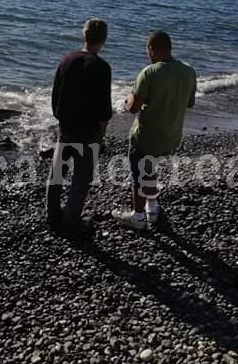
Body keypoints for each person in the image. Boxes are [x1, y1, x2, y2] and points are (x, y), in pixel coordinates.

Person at [112, 31, 196, 230]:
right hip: (171, 135)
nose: (147, 54)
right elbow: (190, 103)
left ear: (152, 49)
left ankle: (138, 216)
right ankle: (151, 207)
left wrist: (126, 99)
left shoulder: (149, 72)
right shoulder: (188, 71)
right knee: (150, 168)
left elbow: (132, 107)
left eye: (148, 50)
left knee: (138, 173)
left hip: (147, 135)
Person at [47, 18, 112, 236]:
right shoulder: (102, 67)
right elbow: (104, 107)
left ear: (83, 36)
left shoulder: (66, 60)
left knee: (57, 174)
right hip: (88, 130)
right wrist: (101, 135)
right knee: (81, 178)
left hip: (66, 126)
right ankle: (72, 220)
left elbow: (55, 94)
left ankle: (53, 214)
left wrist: (60, 117)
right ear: (104, 39)